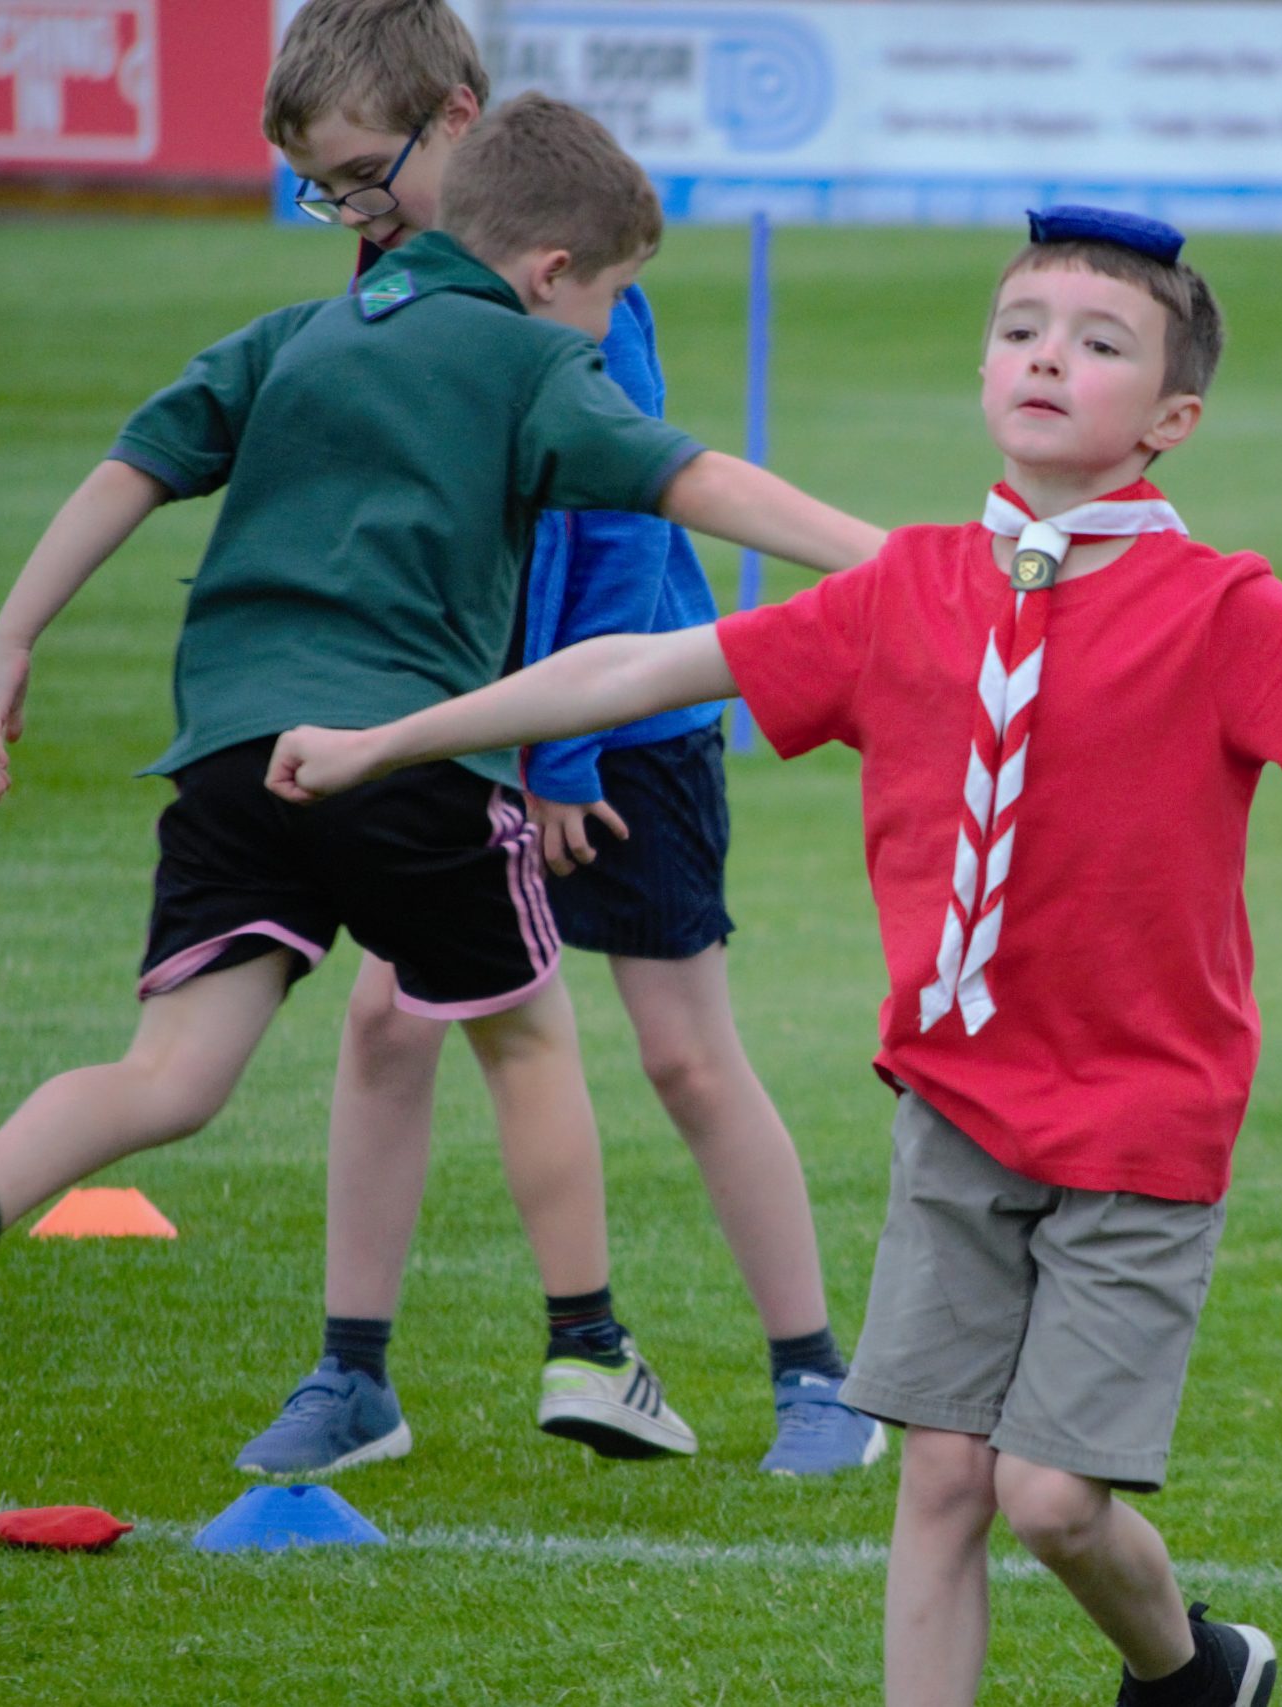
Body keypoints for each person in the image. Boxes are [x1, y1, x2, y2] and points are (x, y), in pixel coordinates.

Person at [259, 205, 1282, 1707]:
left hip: (1143, 1118)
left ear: (1172, 419)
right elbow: (638, 665)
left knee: (1053, 1501)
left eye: (1099, 343)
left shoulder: (1221, 610)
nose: (1046, 359)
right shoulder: (909, 590)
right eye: (1020, 331)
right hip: (958, 1108)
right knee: (941, 1481)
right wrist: (395, 741)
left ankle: (1189, 1670)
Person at [0, 94, 884, 1465]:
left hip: (228, 759)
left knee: (170, 1073)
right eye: (611, 301)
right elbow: (698, 485)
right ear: (552, 274)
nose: (606, 341)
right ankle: (589, 1348)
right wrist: (906, 561)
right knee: (525, 1028)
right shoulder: (535, 364)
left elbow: (134, 465)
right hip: (408, 754)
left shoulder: (293, 337)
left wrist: (14, 631)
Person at [239, 0, 882, 1482]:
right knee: (389, 1023)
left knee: (685, 1057)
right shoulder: (391, 279)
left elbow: (610, 517)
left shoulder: (569, 277)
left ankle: (820, 1382)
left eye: (359, 174)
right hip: (463, 723)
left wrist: (566, 763)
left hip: (617, 728)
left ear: (452, 127)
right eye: (323, 187)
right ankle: (351, 1378)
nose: (346, 208)